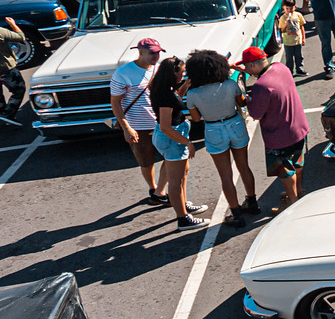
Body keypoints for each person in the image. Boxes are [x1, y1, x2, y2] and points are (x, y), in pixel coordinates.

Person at [186, 49, 261, 225]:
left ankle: (236, 213)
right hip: (234, 123)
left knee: (225, 176)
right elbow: (242, 103)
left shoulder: (193, 94)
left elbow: (196, 118)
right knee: (244, 167)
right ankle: (252, 202)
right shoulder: (229, 85)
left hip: (213, 128)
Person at [240, 48, 308, 212]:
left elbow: (255, 114)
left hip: (279, 136)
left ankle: (292, 204)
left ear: (253, 65)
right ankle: (299, 192)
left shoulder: (261, 86)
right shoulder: (281, 68)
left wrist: (246, 99)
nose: (246, 71)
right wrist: (241, 68)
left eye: (247, 67)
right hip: (298, 128)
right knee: (297, 163)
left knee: (285, 171)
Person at [149, 55, 208, 228]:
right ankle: (183, 218)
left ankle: (183, 204)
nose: (183, 74)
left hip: (172, 136)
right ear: (173, 73)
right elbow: (166, 126)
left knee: (182, 174)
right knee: (176, 181)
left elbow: (176, 98)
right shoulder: (165, 95)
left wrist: (186, 84)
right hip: (172, 137)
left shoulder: (165, 89)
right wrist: (188, 143)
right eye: (182, 72)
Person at [110, 39, 166, 206]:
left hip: (161, 122)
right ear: (140, 52)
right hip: (139, 127)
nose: (155, 56)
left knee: (172, 157)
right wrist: (127, 128)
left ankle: (160, 191)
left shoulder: (158, 68)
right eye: (152, 53)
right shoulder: (123, 73)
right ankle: (153, 188)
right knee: (146, 162)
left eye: (157, 53)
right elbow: (115, 102)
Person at [275, 0, 306, 77]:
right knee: (289, 58)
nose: (289, 10)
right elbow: (283, 30)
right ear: (284, 8)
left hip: (297, 40)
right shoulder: (283, 18)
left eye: (291, 8)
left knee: (299, 56)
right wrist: (286, 24)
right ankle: (289, 71)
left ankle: (300, 69)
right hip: (288, 42)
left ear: (295, 7)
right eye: (287, 8)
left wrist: (303, 38)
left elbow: (301, 26)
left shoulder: (298, 15)